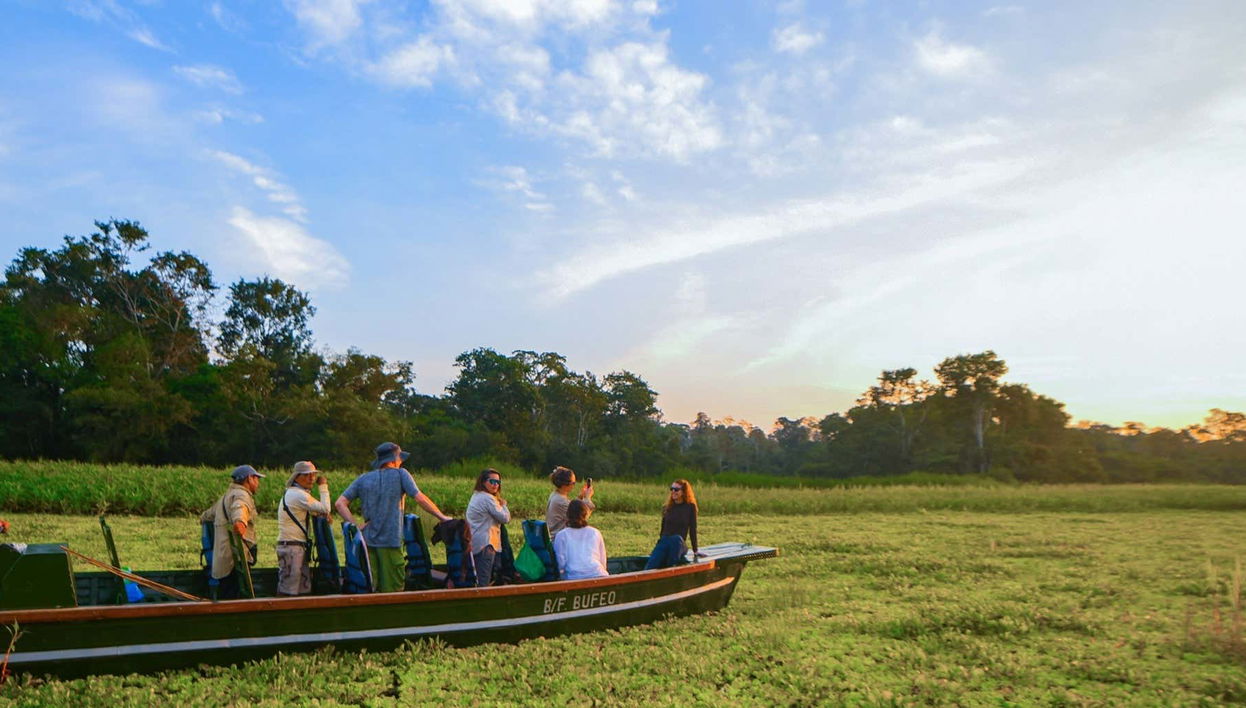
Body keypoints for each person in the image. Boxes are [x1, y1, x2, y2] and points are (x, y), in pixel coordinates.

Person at [334, 442, 451, 593]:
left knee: (371, 588)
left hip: (368, 542)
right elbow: (420, 498)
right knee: (393, 590)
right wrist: (442, 517)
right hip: (390, 542)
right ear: (395, 459)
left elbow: (340, 503)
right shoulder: (401, 474)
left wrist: (355, 526)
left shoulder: (363, 479)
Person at [200, 465, 265, 598]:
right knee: (235, 596)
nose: (258, 483)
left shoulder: (226, 496)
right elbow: (239, 508)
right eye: (256, 478)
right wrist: (240, 522)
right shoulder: (242, 495)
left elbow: (207, 515)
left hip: (223, 559)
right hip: (235, 560)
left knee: (226, 594)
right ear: (249, 479)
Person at [276, 460, 331, 596]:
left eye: (313, 474)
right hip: (292, 548)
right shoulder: (299, 495)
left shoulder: (294, 493)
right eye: (306, 475)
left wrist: (322, 514)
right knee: (288, 591)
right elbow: (326, 508)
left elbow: (317, 511)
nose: (311, 478)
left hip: (294, 546)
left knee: (300, 590)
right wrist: (323, 486)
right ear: (296, 477)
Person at [643, 479, 703, 570]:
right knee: (653, 562)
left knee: (676, 539)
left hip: (679, 544)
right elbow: (663, 530)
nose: (673, 491)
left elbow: (693, 530)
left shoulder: (690, 507)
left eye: (676, 489)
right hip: (665, 542)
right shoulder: (667, 508)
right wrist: (658, 546)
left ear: (684, 492)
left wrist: (695, 550)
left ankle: (671, 569)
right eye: (672, 489)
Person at [465, 468, 511, 587]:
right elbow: (505, 518)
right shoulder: (487, 498)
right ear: (483, 482)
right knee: (483, 582)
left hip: (476, 542)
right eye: (492, 481)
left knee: (484, 578)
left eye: (498, 482)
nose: (495, 485)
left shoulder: (476, 495)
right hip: (485, 545)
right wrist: (504, 505)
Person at [552, 499, 608, 580]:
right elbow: (603, 560)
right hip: (599, 574)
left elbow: (560, 563)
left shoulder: (561, 535)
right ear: (585, 515)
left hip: (574, 577)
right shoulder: (595, 532)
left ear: (567, 515)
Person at [545, 465, 594, 540]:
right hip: (559, 540)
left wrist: (580, 497)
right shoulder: (560, 500)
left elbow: (573, 507)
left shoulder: (556, 495)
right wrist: (587, 497)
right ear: (564, 485)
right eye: (573, 483)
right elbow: (582, 516)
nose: (574, 485)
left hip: (558, 537)